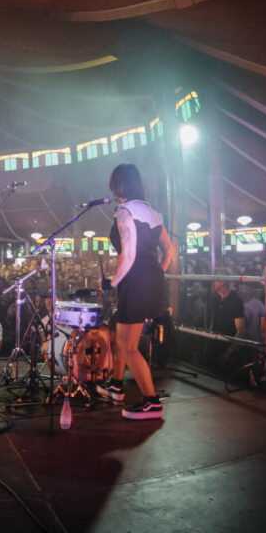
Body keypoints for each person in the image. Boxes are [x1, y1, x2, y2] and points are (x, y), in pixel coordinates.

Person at [103, 163, 177, 420]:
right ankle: (115, 386)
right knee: (122, 336)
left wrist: (112, 284)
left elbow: (129, 254)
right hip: (151, 281)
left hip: (134, 282)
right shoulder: (153, 213)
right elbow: (169, 250)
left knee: (127, 345)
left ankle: (151, 402)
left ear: (118, 186)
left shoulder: (125, 211)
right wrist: (157, 273)